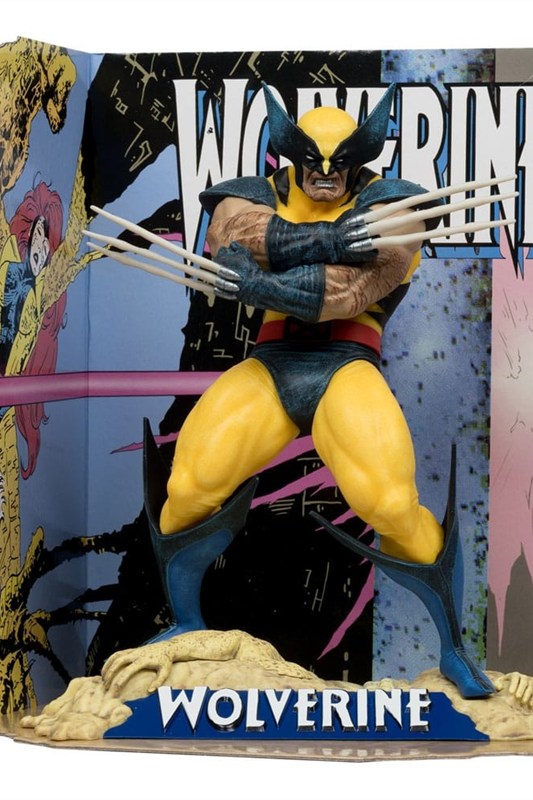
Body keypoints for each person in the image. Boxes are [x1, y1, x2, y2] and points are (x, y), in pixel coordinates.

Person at [141, 83, 495, 698]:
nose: (326, 174)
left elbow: (349, 293)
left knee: (390, 503)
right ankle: (187, 622)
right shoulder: (257, 190)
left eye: (339, 162)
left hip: (345, 364)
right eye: (314, 161)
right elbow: (230, 235)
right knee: (188, 487)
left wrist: (266, 276)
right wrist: (330, 242)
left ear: (360, 158)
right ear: (291, 152)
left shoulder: (393, 201)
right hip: (271, 365)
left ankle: (454, 649)